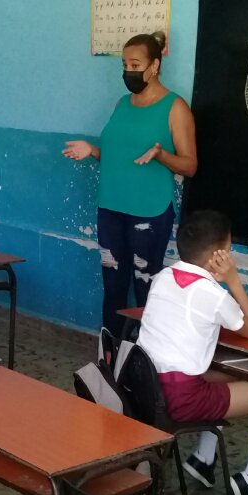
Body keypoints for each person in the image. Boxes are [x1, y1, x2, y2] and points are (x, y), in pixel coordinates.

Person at [137, 210, 248, 495]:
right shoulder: (211, 294)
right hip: (179, 399)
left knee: (231, 375)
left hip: (144, 385)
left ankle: (204, 459)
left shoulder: (162, 277)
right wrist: (233, 281)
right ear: (219, 254)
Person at [62, 31, 198, 336]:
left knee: (145, 286)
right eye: (125, 64)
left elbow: (190, 166)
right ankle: (112, 357)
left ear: (154, 66)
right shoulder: (122, 104)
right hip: (111, 208)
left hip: (148, 213)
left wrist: (162, 155)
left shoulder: (175, 108)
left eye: (135, 64)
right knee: (113, 287)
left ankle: (144, 358)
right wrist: (92, 150)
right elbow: (114, 156)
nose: (129, 71)